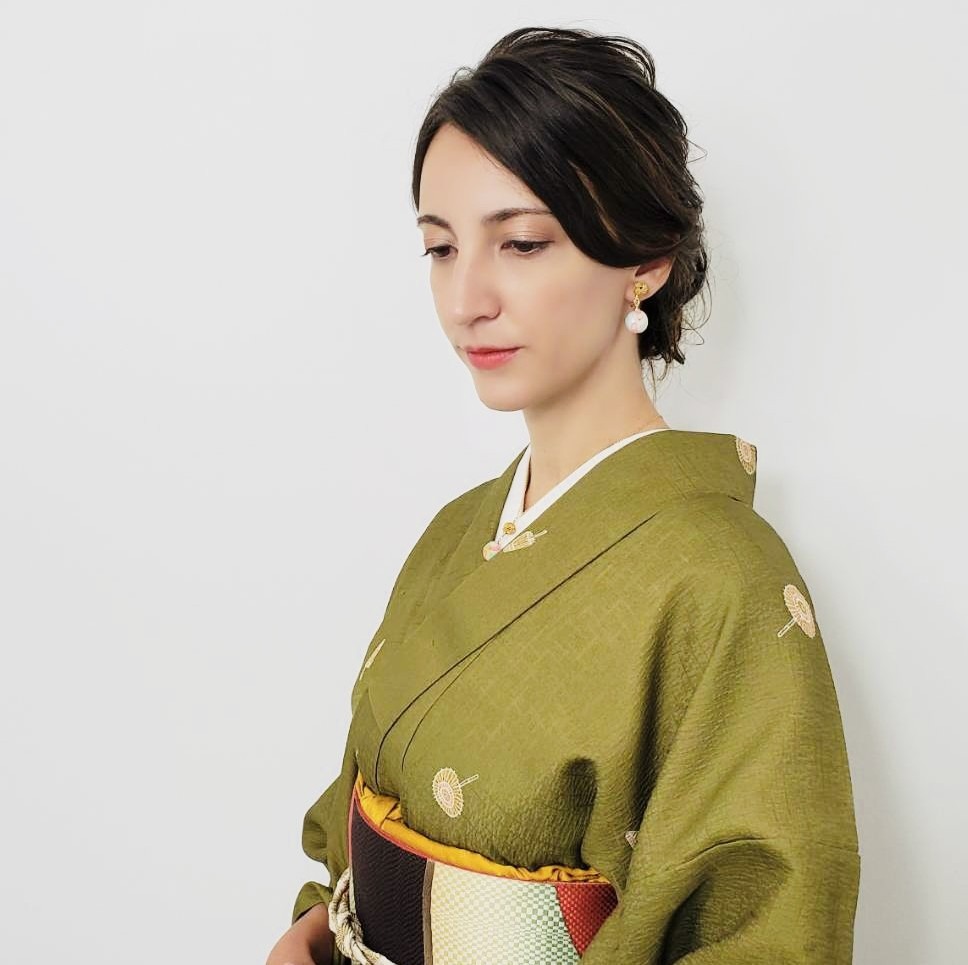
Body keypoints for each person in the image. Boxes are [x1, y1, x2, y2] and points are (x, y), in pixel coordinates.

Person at [266, 25, 860, 965]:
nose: (467, 298)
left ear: (646, 260)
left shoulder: (726, 581)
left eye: (522, 242)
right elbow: (356, 824)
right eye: (440, 248)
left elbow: (766, 929)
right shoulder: (454, 532)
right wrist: (311, 930)